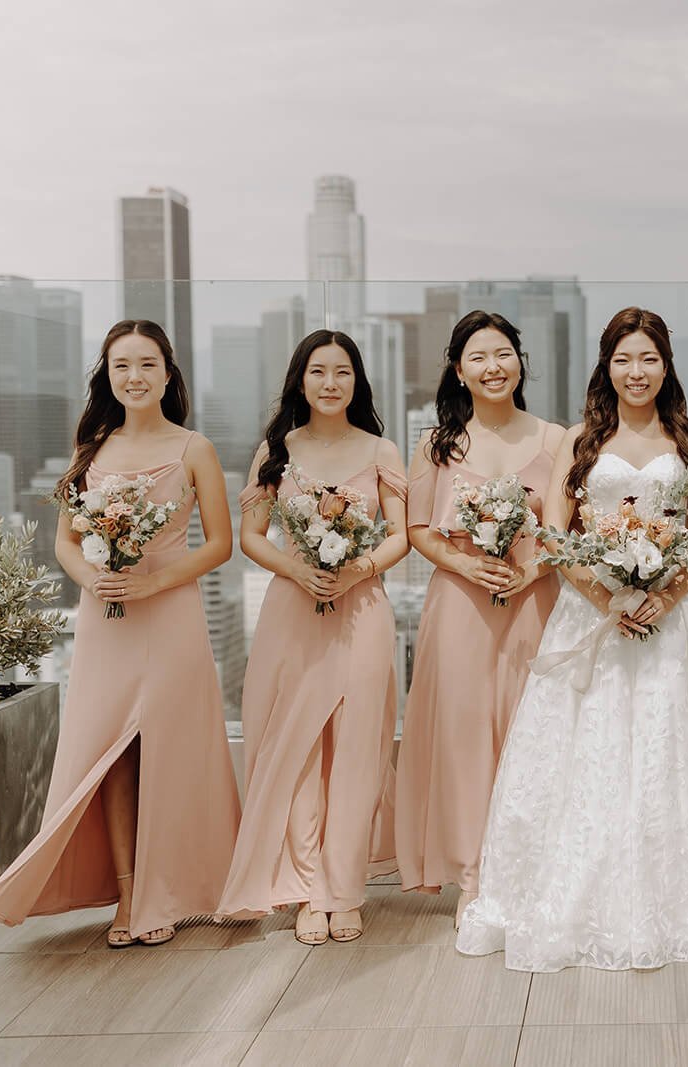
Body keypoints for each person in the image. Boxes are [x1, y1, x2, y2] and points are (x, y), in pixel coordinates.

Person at [455, 307, 688, 972]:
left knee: (672, 745)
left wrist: (665, 593)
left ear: (666, 365)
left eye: (648, 359)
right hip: (594, 615)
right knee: (588, 753)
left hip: (676, 620)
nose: (636, 372)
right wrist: (609, 594)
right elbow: (557, 528)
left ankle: (677, 896)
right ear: (606, 366)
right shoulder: (581, 438)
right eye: (623, 359)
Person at [0, 320, 239, 948]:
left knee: (169, 752)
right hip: (105, 622)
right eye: (122, 366)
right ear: (108, 375)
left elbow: (223, 546)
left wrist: (155, 583)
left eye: (147, 365)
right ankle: (128, 895)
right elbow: (66, 543)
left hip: (171, 616)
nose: (135, 377)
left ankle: (163, 895)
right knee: (111, 756)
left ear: (168, 374)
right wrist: (93, 581)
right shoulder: (91, 446)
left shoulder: (194, 448)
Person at [215, 329, 409, 947]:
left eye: (343, 372)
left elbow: (400, 535)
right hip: (291, 611)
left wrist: (355, 570)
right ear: (301, 380)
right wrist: (299, 569)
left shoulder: (382, 449)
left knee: (356, 749)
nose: (331, 383)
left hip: (363, 611)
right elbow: (250, 536)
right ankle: (303, 889)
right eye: (320, 372)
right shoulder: (277, 447)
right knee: (296, 750)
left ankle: (343, 892)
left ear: (358, 381)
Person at [394, 311, 563, 927]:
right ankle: (472, 873)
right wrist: (469, 568)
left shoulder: (555, 438)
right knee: (464, 735)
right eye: (478, 358)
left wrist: (530, 572)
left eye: (503, 354)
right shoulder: (438, 442)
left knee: (532, 731)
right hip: (461, 604)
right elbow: (416, 529)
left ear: (520, 361)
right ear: (459, 371)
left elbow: (565, 532)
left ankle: (530, 867)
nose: (493, 368)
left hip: (533, 602)